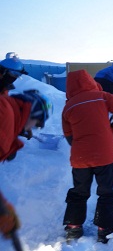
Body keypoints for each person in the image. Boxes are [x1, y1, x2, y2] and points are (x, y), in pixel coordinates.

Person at [62, 69, 113, 243]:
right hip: (104, 154)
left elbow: (69, 135)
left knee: (78, 192)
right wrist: (112, 128)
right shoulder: (101, 96)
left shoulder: (68, 107)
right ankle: (104, 228)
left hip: (80, 158)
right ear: (89, 81)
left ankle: (73, 228)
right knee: (106, 191)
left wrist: (82, 147)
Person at [0, 89, 52, 239]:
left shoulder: (7, 110)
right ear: (32, 114)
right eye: (36, 124)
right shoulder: (5, 115)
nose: (31, 129)